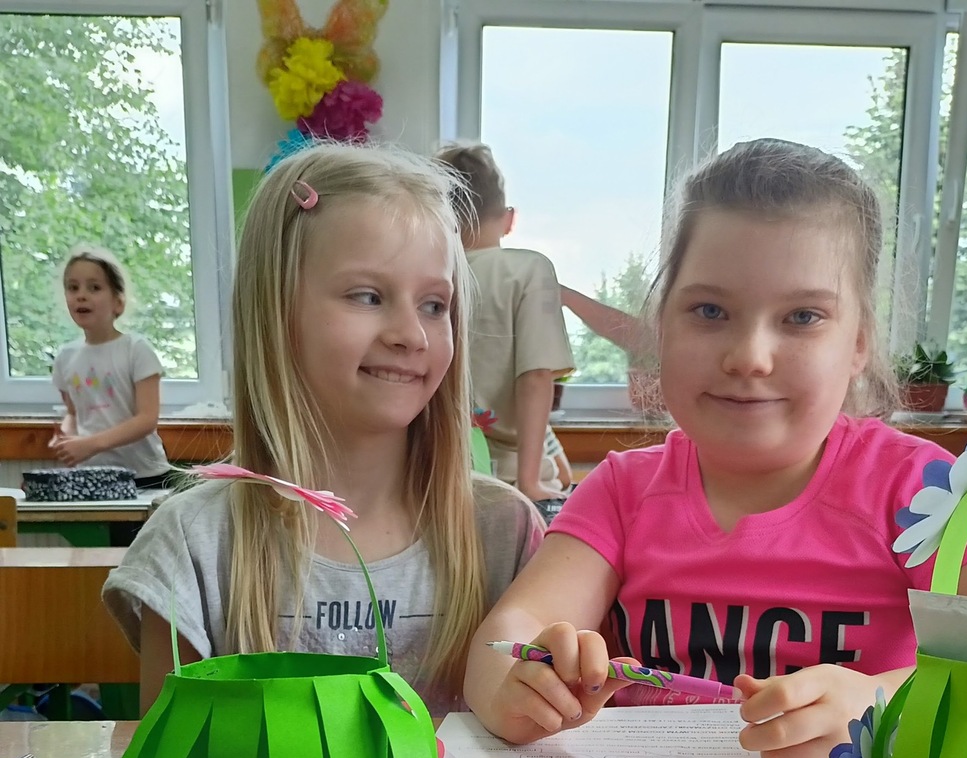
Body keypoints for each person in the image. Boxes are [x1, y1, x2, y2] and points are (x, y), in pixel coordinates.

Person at [463, 138, 967, 758]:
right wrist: (519, 685)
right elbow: (506, 637)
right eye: (709, 311)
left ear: (858, 344)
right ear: (662, 326)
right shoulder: (621, 492)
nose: (749, 356)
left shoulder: (920, 488)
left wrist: (888, 706)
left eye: (802, 317)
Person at [104, 143, 544, 718]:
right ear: (275, 309)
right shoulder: (193, 544)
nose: (412, 334)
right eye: (368, 296)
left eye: (435, 306)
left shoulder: (505, 534)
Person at [435, 141, 575, 515]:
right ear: (509, 218)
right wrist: (530, 481)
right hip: (508, 482)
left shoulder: (431, 274)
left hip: (443, 468)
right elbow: (535, 376)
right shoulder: (527, 270)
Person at [50, 248, 171, 488]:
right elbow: (73, 413)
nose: (81, 295)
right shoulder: (65, 357)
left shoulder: (136, 349)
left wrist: (90, 444)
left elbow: (147, 419)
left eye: (94, 287)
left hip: (145, 476)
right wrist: (67, 438)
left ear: (118, 302)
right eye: (73, 288)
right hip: (92, 477)